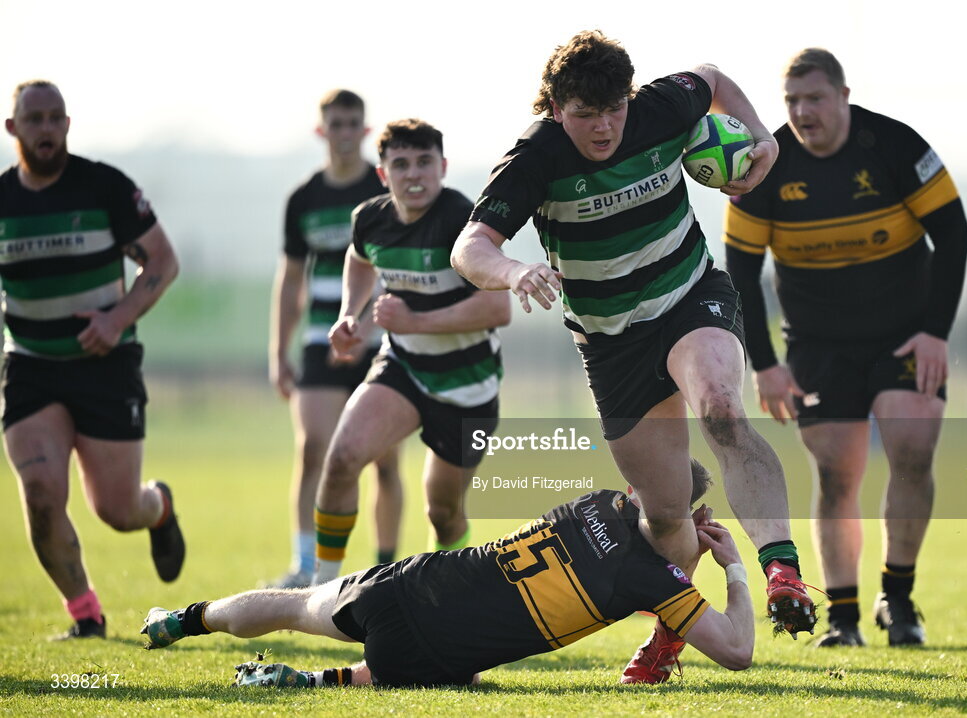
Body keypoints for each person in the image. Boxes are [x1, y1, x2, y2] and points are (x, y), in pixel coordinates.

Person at [449, 29, 815, 682]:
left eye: (614, 107)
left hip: (688, 296)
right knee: (666, 511)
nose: (605, 125)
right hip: (611, 343)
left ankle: (780, 568)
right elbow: (469, 247)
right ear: (556, 107)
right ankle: (671, 637)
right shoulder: (536, 156)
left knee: (723, 411)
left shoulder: (658, 107)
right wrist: (511, 272)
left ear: (629, 96)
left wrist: (760, 136)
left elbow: (712, 76)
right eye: (586, 114)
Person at [723, 48, 967, 647]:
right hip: (818, 345)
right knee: (837, 475)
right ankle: (844, 618)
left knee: (912, 447)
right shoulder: (765, 167)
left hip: (904, 333)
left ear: (843, 96)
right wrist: (767, 366)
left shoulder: (896, 147)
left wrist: (936, 331)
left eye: (814, 99)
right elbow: (740, 270)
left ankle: (900, 599)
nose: (803, 112)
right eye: (792, 101)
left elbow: (954, 233)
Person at [141, 463, 755, 688]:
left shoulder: (596, 501)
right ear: (696, 514)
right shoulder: (652, 582)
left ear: (632, 487)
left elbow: (650, 527)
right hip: (437, 654)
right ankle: (305, 682)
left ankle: (183, 619)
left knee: (294, 606)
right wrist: (732, 571)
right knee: (431, 667)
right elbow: (736, 651)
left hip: (411, 584)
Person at [1, 80, 184, 639]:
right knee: (40, 495)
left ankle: (160, 508)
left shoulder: (103, 186)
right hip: (31, 365)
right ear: (13, 129)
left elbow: (162, 261)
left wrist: (116, 318)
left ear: (68, 124)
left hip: (105, 364)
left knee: (118, 510)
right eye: (35, 118)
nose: (47, 127)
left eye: (56, 117)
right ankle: (86, 616)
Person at [310, 118, 511, 585]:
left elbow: (497, 307)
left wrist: (414, 321)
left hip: (468, 386)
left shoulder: (461, 223)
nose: (414, 175)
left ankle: (443, 590)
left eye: (424, 162)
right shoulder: (371, 218)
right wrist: (349, 314)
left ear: (442, 167)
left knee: (443, 514)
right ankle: (319, 590)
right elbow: (360, 257)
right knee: (341, 461)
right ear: (383, 174)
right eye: (400, 164)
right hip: (402, 366)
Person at [268, 89, 403, 588]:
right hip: (318, 342)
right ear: (321, 131)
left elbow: (395, 270)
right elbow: (289, 280)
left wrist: (368, 326)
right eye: (336, 124)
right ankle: (306, 569)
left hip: (380, 343)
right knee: (313, 451)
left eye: (353, 124)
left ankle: (386, 569)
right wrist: (277, 353)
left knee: (384, 462)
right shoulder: (303, 199)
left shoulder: (385, 188)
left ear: (365, 130)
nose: (345, 133)